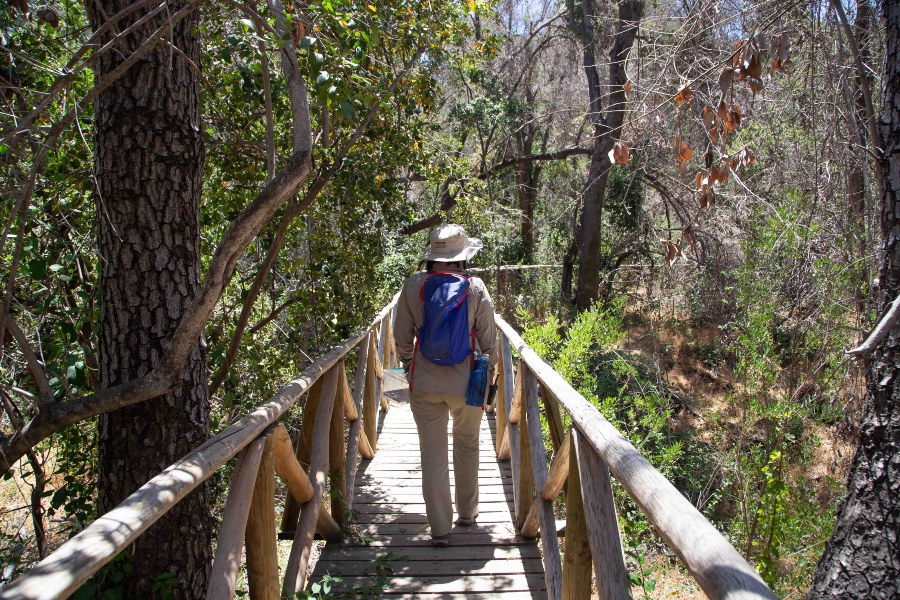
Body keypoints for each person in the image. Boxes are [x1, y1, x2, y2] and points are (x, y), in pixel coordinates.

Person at [394, 224, 498, 547]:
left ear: (432, 257)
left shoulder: (413, 286)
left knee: (432, 456)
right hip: (467, 384)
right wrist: (488, 376)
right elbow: (489, 343)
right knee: (467, 445)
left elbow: (401, 338)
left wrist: (411, 365)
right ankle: (467, 513)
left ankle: (440, 530)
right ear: (462, 257)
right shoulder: (476, 289)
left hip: (424, 385)